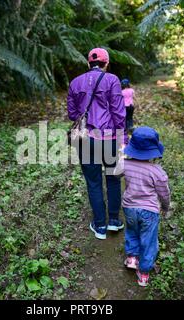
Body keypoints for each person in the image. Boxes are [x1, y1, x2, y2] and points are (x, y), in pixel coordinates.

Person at [67, 48, 127, 240]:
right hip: (109, 138)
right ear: (106, 64)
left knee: (93, 182)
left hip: (86, 139)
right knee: (113, 178)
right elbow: (118, 112)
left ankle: (99, 226)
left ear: (88, 63)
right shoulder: (112, 80)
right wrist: (123, 138)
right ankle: (114, 222)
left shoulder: (75, 82)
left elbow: (72, 114)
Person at [113, 126, 170, 286]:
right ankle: (144, 272)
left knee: (132, 230)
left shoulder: (126, 164)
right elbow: (164, 194)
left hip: (129, 208)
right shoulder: (158, 172)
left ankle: (132, 257)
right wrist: (165, 207)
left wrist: (121, 157)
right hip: (150, 212)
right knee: (149, 240)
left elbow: (116, 174)